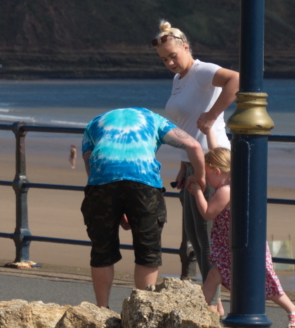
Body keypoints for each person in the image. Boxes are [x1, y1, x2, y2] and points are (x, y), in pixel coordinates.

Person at [81, 107, 205, 310]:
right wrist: (199, 176)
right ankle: (143, 310)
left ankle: (102, 310)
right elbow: (193, 145)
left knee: (102, 250)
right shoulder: (153, 119)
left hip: (101, 182)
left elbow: (90, 162)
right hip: (143, 182)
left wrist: (114, 202)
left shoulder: (95, 122)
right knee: (148, 251)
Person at [152, 20, 239, 305]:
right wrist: (182, 163)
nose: (170, 63)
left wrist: (213, 115)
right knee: (194, 234)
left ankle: (214, 304)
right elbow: (186, 125)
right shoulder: (179, 79)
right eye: (164, 59)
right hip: (192, 162)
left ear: (186, 48)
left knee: (207, 235)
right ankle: (212, 301)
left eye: (173, 56)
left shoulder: (202, 71)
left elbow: (236, 80)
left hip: (213, 163)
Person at [189, 126, 295, 328]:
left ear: (217, 171)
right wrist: (209, 131)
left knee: (264, 283)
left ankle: (292, 309)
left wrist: (197, 191)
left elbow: (207, 213)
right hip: (230, 244)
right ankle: (197, 314)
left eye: (207, 174)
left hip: (239, 244)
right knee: (214, 276)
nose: (206, 179)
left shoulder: (224, 191)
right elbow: (218, 152)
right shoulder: (233, 179)